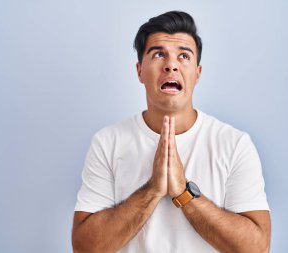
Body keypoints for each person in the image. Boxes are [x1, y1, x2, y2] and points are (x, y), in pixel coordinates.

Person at [72, 10, 271, 253]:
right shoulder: (107, 142)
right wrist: (153, 190)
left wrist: (183, 193)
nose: (171, 65)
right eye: (158, 54)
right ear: (139, 71)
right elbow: (84, 248)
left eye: (184, 56)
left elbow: (258, 248)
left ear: (197, 73)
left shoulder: (234, 144)